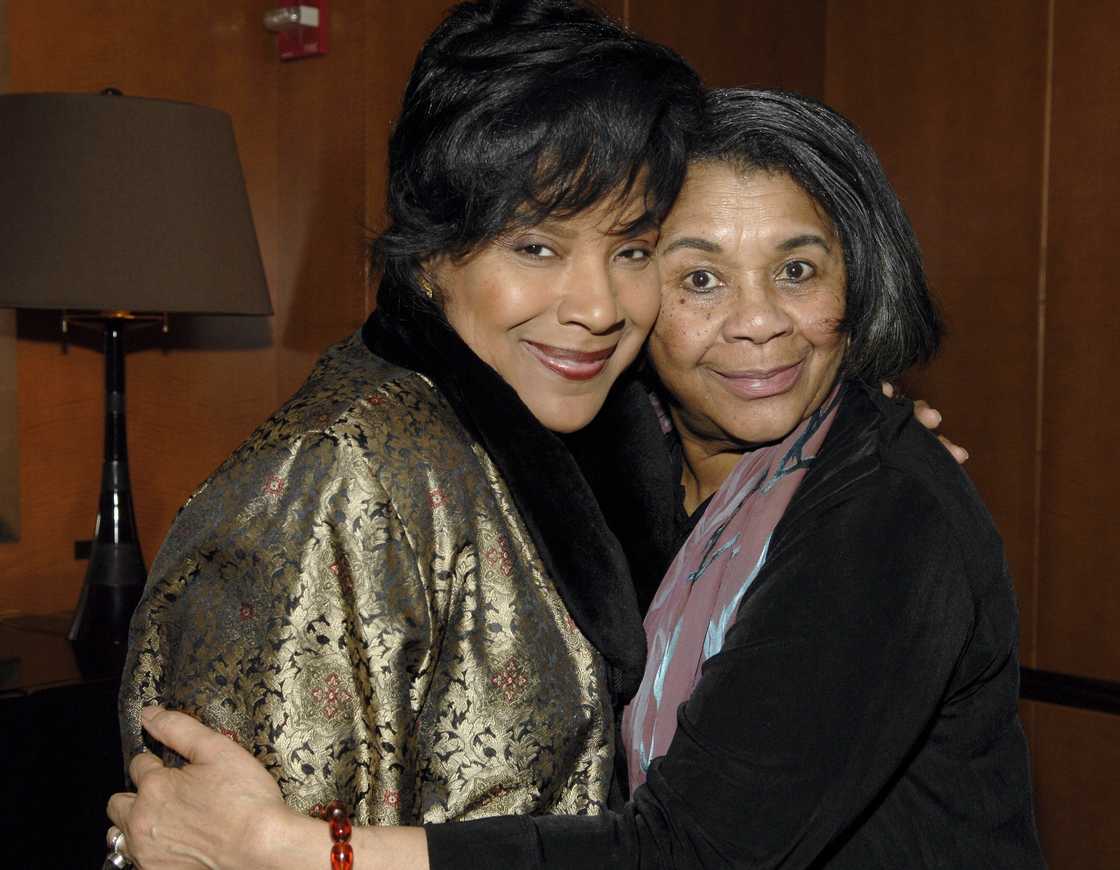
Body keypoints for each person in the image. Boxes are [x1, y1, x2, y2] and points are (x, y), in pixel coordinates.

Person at [109, 88, 1043, 868]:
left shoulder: (881, 512)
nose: (761, 323)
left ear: (859, 284)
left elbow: (685, 855)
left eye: (797, 270)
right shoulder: (627, 468)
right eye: (700, 279)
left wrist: (289, 850)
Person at [116, 0, 703, 837]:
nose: (600, 307)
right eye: (536, 247)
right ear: (430, 253)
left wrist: (846, 439)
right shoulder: (338, 477)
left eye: (632, 250)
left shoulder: (611, 431)